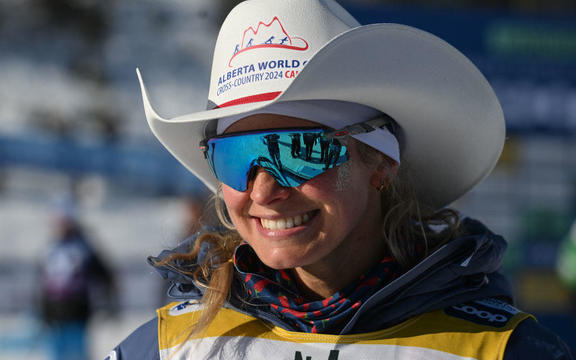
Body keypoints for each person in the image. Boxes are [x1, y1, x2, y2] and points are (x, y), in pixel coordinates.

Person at [108, 0, 573, 359]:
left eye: (299, 150)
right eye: (235, 156)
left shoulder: (502, 350)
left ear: (380, 163)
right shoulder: (170, 346)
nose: (264, 191)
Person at [41, 204, 116, 360]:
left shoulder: (83, 248)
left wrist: (109, 302)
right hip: (54, 314)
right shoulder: (50, 248)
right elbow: (44, 282)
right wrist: (42, 310)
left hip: (77, 312)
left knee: (78, 354)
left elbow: (104, 274)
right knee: (56, 354)